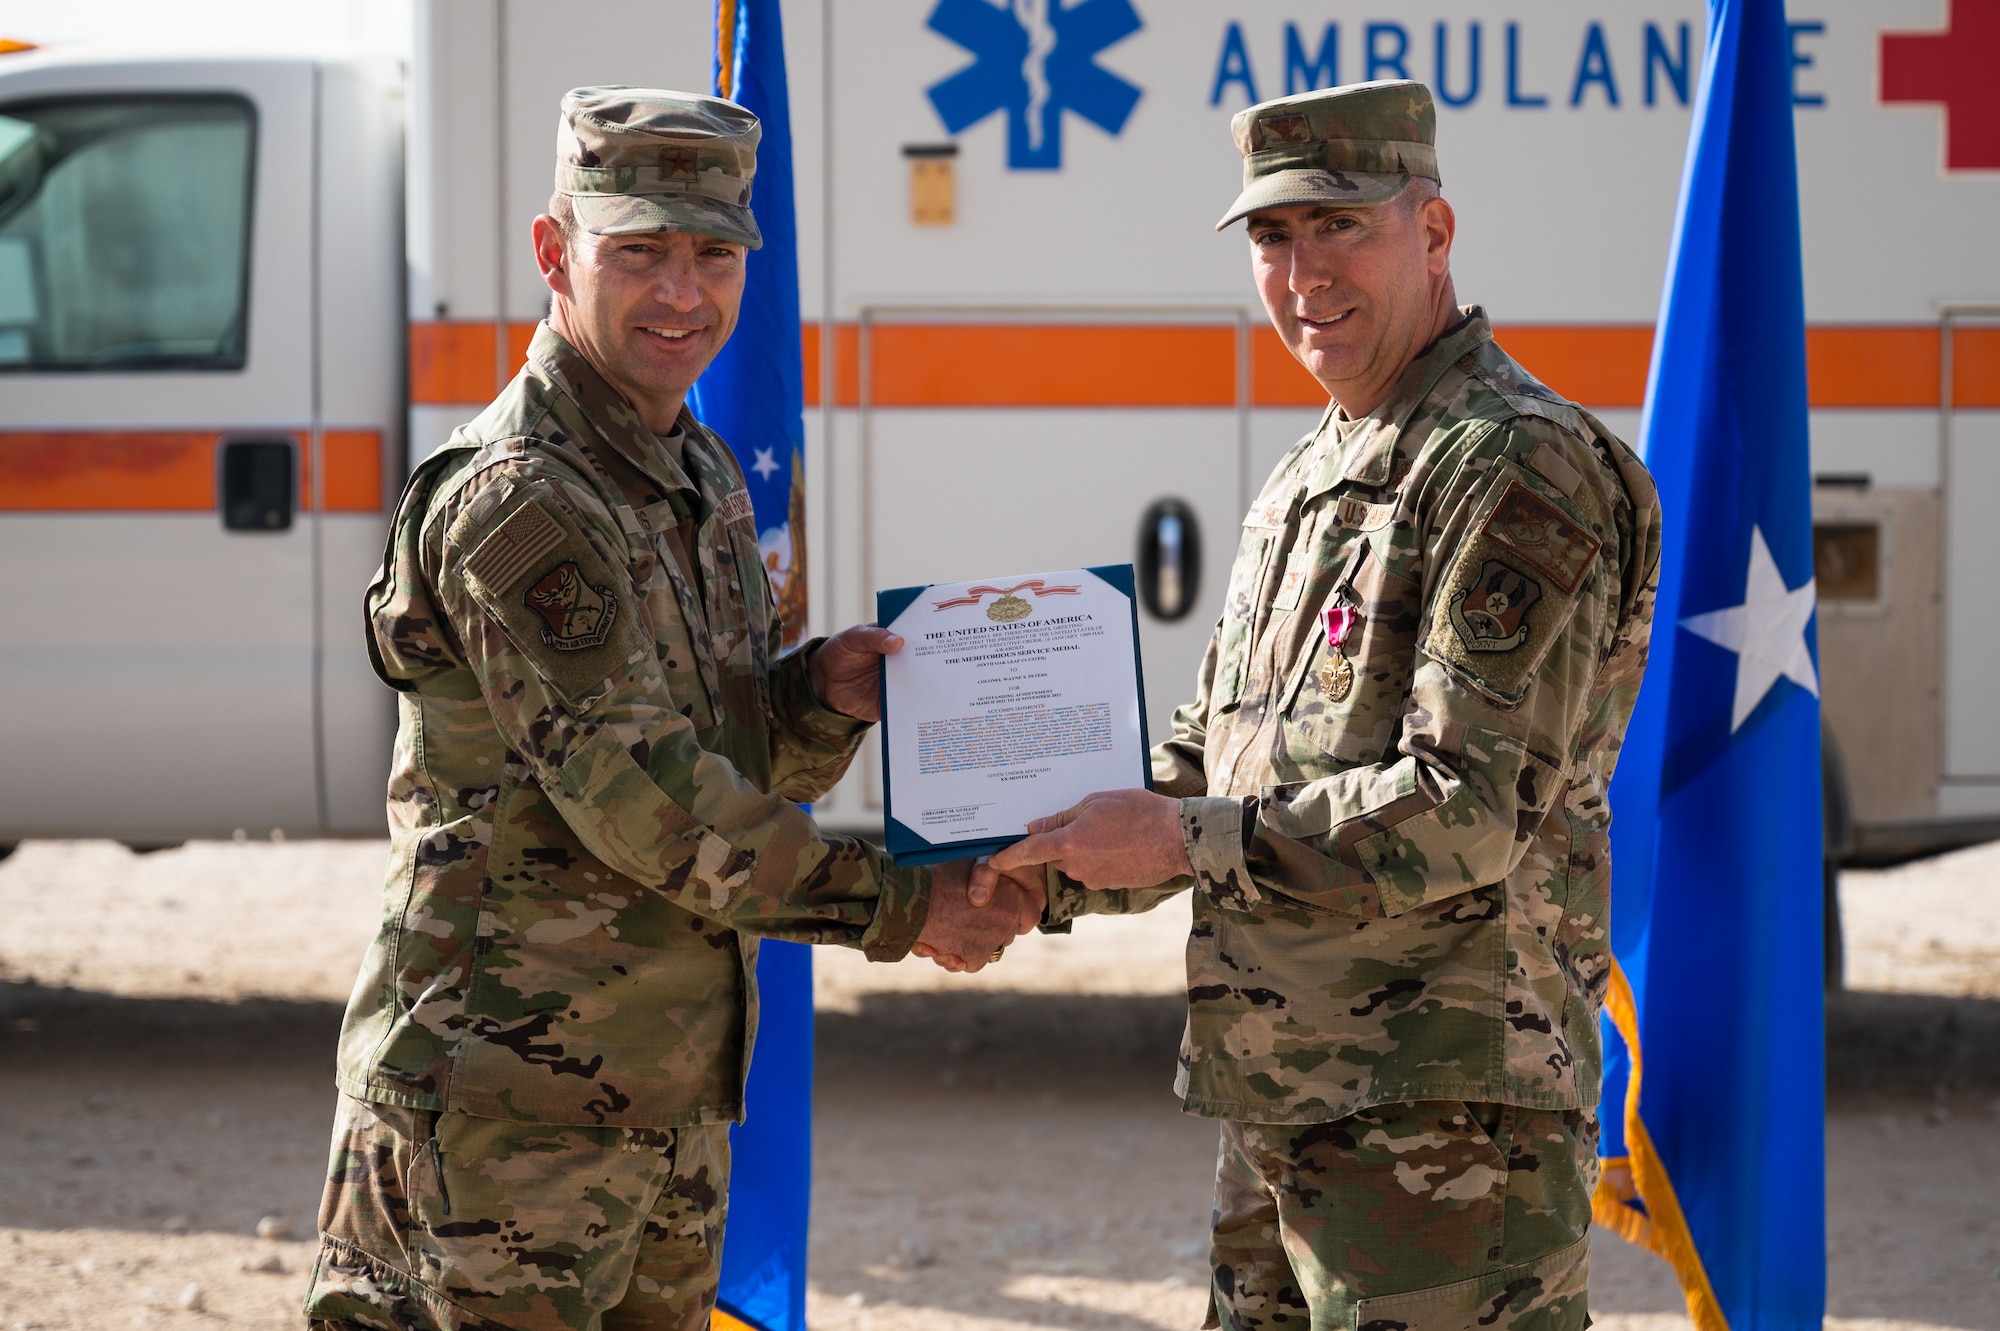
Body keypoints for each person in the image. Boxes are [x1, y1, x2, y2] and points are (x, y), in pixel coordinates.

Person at [304, 87, 1039, 1331]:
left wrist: (820, 694)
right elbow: (652, 804)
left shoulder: (689, 468)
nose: (682, 294)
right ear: (554, 252)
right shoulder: (519, 502)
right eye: (637, 251)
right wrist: (914, 906)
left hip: (659, 1095)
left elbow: (716, 747)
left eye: (711, 254)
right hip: (499, 1116)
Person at [978, 80, 1662, 1331]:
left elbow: (1463, 809)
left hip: (1447, 1126)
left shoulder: (1515, 462)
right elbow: (1212, 762)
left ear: (1433, 231)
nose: (1304, 273)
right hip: (1288, 1099)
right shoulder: (1318, 467)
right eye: (1271, 237)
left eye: (1340, 226)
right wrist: (1035, 867)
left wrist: (1176, 839)